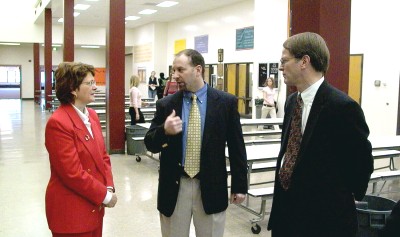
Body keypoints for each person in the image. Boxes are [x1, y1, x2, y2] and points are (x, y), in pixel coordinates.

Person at [267, 32, 373, 237]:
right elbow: (290, 153)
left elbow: (361, 164)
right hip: (287, 215)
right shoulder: (292, 102)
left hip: (323, 220)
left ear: (304, 61)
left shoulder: (342, 107)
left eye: (284, 61)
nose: (280, 67)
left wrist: (342, 197)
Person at [144, 49, 248, 237]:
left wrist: (240, 185)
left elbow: (236, 146)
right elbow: (150, 143)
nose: (175, 76)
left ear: (198, 69)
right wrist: (164, 131)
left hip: (211, 185)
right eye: (173, 70)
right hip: (175, 186)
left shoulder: (225, 103)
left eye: (180, 70)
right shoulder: (166, 104)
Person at [45, 62, 117, 237]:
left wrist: (108, 187)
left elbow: (103, 157)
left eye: (95, 82)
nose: (95, 87)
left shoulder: (91, 115)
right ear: (73, 89)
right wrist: (104, 196)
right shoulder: (58, 123)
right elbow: (72, 173)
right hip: (71, 213)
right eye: (89, 83)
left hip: (94, 206)